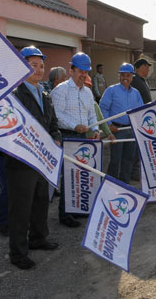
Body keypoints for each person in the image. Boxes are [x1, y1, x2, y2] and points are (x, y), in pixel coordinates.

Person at [5, 46, 62, 270]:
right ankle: (18, 253)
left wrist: (56, 137)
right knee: (20, 208)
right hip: (21, 163)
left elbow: (53, 124)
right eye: (33, 65)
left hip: (43, 161)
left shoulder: (45, 95)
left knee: (40, 201)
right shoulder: (13, 95)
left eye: (42, 66)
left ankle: (38, 238)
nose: (39, 70)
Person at [51, 52, 100, 228]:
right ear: (71, 70)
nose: (83, 75)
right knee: (69, 176)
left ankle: (77, 208)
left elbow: (91, 114)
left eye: (86, 71)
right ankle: (65, 214)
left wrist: (95, 129)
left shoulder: (87, 92)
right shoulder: (60, 90)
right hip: (66, 136)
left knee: (81, 174)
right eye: (80, 71)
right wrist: (74, 126)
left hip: (83, 137)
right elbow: (57, 116)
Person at [100, 63, 144, 184]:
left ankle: (124, 184)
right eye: (123, 75)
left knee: (128, 159)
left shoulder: (136, 93)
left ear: (132, 77)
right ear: (119, 76)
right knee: (115, 159)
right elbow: (103, 108)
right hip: (116, 130)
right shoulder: (111, 90)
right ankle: (111, 183)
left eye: (128, 75)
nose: (125, 77)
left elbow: (140, 111)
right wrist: (109, 125)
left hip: (131, 130)